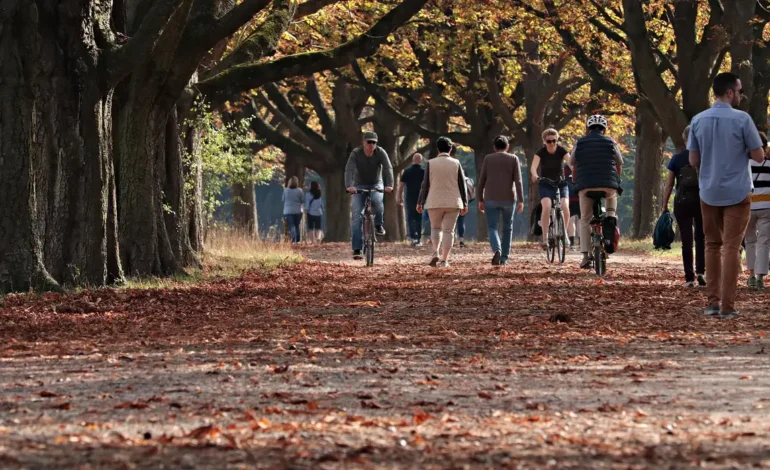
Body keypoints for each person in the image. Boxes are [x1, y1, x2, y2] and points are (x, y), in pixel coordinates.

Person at [688, 72, 765, 318]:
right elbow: (759, 156)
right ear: (730, 93)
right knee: (731, 247)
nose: (742, 95)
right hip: (738, 190)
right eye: (740, 91)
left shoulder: (698, 120)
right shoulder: (743, 120)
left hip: (708, 190)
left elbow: (693, 160)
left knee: (712, 245)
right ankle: (728, 307)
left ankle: (712, 303)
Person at [570, 114, 623, 269]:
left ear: (588, 128)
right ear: (604, 129)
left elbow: (572, 162)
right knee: (611, 211)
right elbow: (619, 161)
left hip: (586, 185)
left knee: (585, 219)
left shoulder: (579, 143)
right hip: (608, 185)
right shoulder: (611, 142)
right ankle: (609, 234)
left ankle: (585, 257)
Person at [661, 125, 706, 288]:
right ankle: (701, 271)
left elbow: (669, 184)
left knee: (687, 240)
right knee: (701, 237)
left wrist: (664, 205)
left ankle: (689, 278)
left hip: (682, 202)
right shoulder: (704, 157)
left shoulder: (676, 159)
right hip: (702, 201)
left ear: (685, 139)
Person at [416, 137, 468, 267]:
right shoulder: (456, 163)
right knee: (448, 231)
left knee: (435, 228)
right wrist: (465, 202)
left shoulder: (430, 163)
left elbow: (425, 184)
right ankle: (444, 260)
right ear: (450, 149)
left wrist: (420, 202)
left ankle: (435, 252)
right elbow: (462, 185)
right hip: (453, 202)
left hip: (434, 201)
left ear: (438, 149)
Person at [345, 131, 394, 260]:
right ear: (363, 142)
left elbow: (388, 168)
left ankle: (378, 224)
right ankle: (357, 249)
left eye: (374, 142)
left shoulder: (381, 152)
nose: (372, 145)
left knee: (377, 201)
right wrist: (349, 186)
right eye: (369, 142)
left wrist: (389, 185)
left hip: (376, 183)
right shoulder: (356, 153)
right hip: (358, 185)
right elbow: (349, 169)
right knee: (356, 216)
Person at [476, 135, 524, 265]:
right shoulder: (513, 158)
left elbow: (482, 181)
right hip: (509, 198)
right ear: (507, 146)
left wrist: (480, 198)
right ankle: (504, 257)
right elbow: (518, 181)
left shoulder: (488, 158)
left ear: (494, 147)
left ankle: (496, 249)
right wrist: (521, 200)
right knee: (508, 228)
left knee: (492, 227)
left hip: (490, 198)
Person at [531, 128, 571, 250]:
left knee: (565, 206)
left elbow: (571, 163)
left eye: (554, 140)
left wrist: (574, 173)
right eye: (549, 141)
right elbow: (533, 167)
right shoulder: (540, 152)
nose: (552, 143)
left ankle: (564, 234)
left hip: (561, 183)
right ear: (544, 141)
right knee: (547, 206)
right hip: (545, 183)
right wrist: (535, 175)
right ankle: (545, 237)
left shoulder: (561, 151)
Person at [745, 131, 770, 290]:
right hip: (767, 207)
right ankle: (761, 277)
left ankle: (752, 275)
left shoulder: (744, 163)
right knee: (764, 241)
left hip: (747, 206)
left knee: (750, 241)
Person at [397, 153, 425, 246]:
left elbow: (401, 185)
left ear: (412, 160)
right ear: (421, 161)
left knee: (410, 218)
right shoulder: (424, 172)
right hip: (420, 198)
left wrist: (399, 196)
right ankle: (418, 238)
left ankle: (413, 237)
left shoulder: (407, 171)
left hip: (409, 198)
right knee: (418, 218)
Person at [282, 176, 304, 244]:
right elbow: (302, 200)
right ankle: (298, 240)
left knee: (291, 226)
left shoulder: (286, 190)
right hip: (297, 211)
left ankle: (293, 240)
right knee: (297, 225)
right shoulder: (299, 190)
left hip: (288, 211)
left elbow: (283, 199)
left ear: (289, 182)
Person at [564, 165, 580, 251]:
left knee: (571, 220)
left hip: (569, 197)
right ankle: (582, 243)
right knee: (582, 220)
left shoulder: (567, 165)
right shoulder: (582, 161)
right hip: (581, 195)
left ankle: (572, 244)